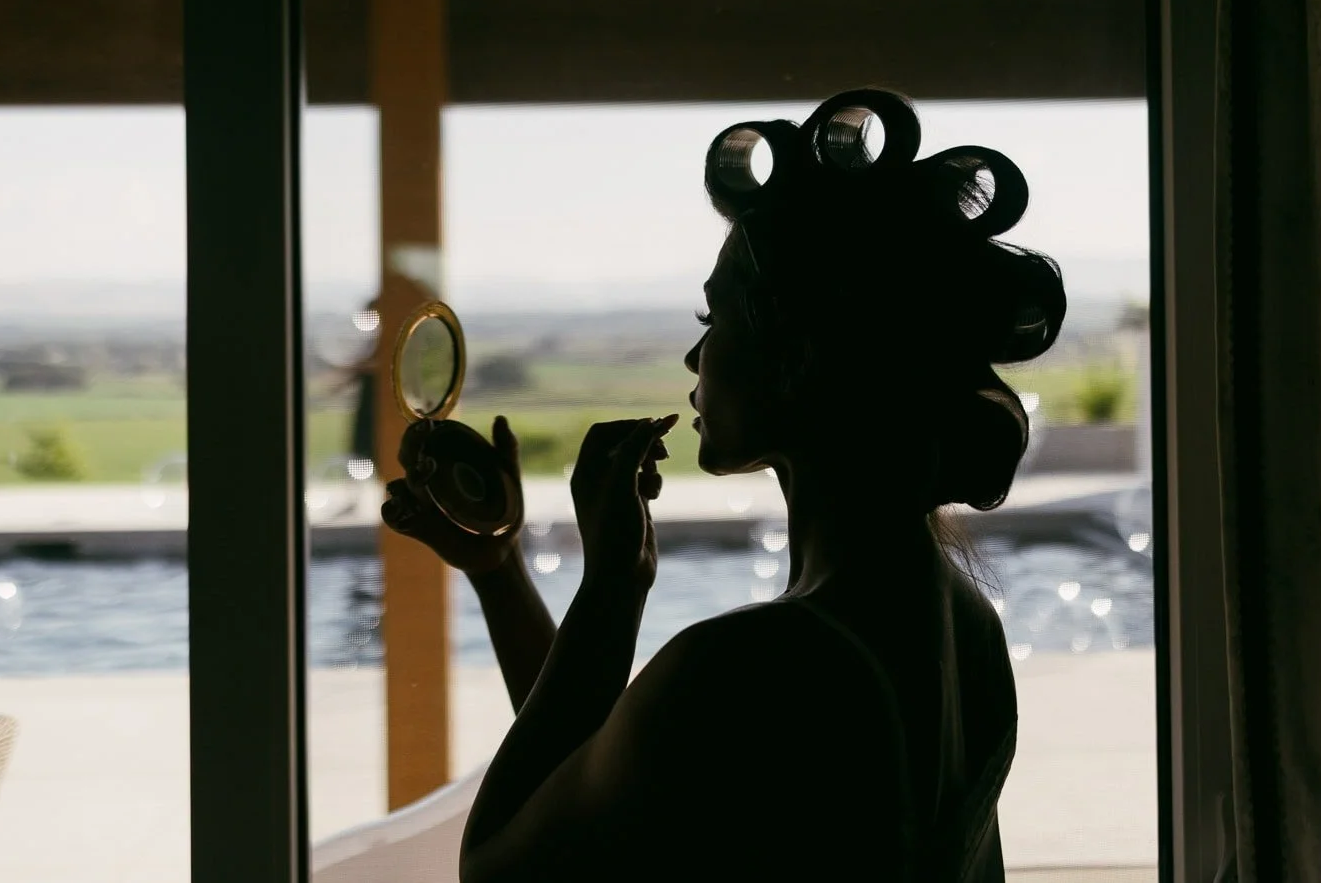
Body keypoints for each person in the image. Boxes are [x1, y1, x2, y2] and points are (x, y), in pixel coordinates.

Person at [380, 88, 1066, 882]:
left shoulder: (753, 665)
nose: (692, 361)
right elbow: (602, 784)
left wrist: (608, 590)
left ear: (797, 356)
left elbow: (505, 864)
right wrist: (501, 574)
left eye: (715, 323)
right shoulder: (961, 626)